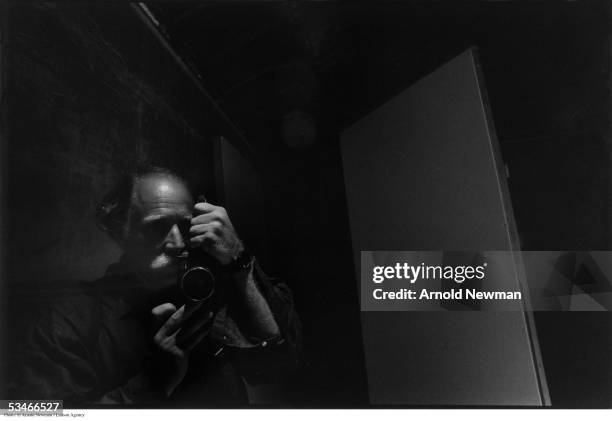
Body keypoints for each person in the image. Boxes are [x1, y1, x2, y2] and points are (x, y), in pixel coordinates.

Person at [10, 165, 301, 407]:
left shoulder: (207, 294)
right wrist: (154, 380)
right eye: (156, 227)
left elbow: (277, 363)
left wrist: (237, 257)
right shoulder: (68, 322)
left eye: (185, 227)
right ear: (120, 231)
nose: (178, 243)